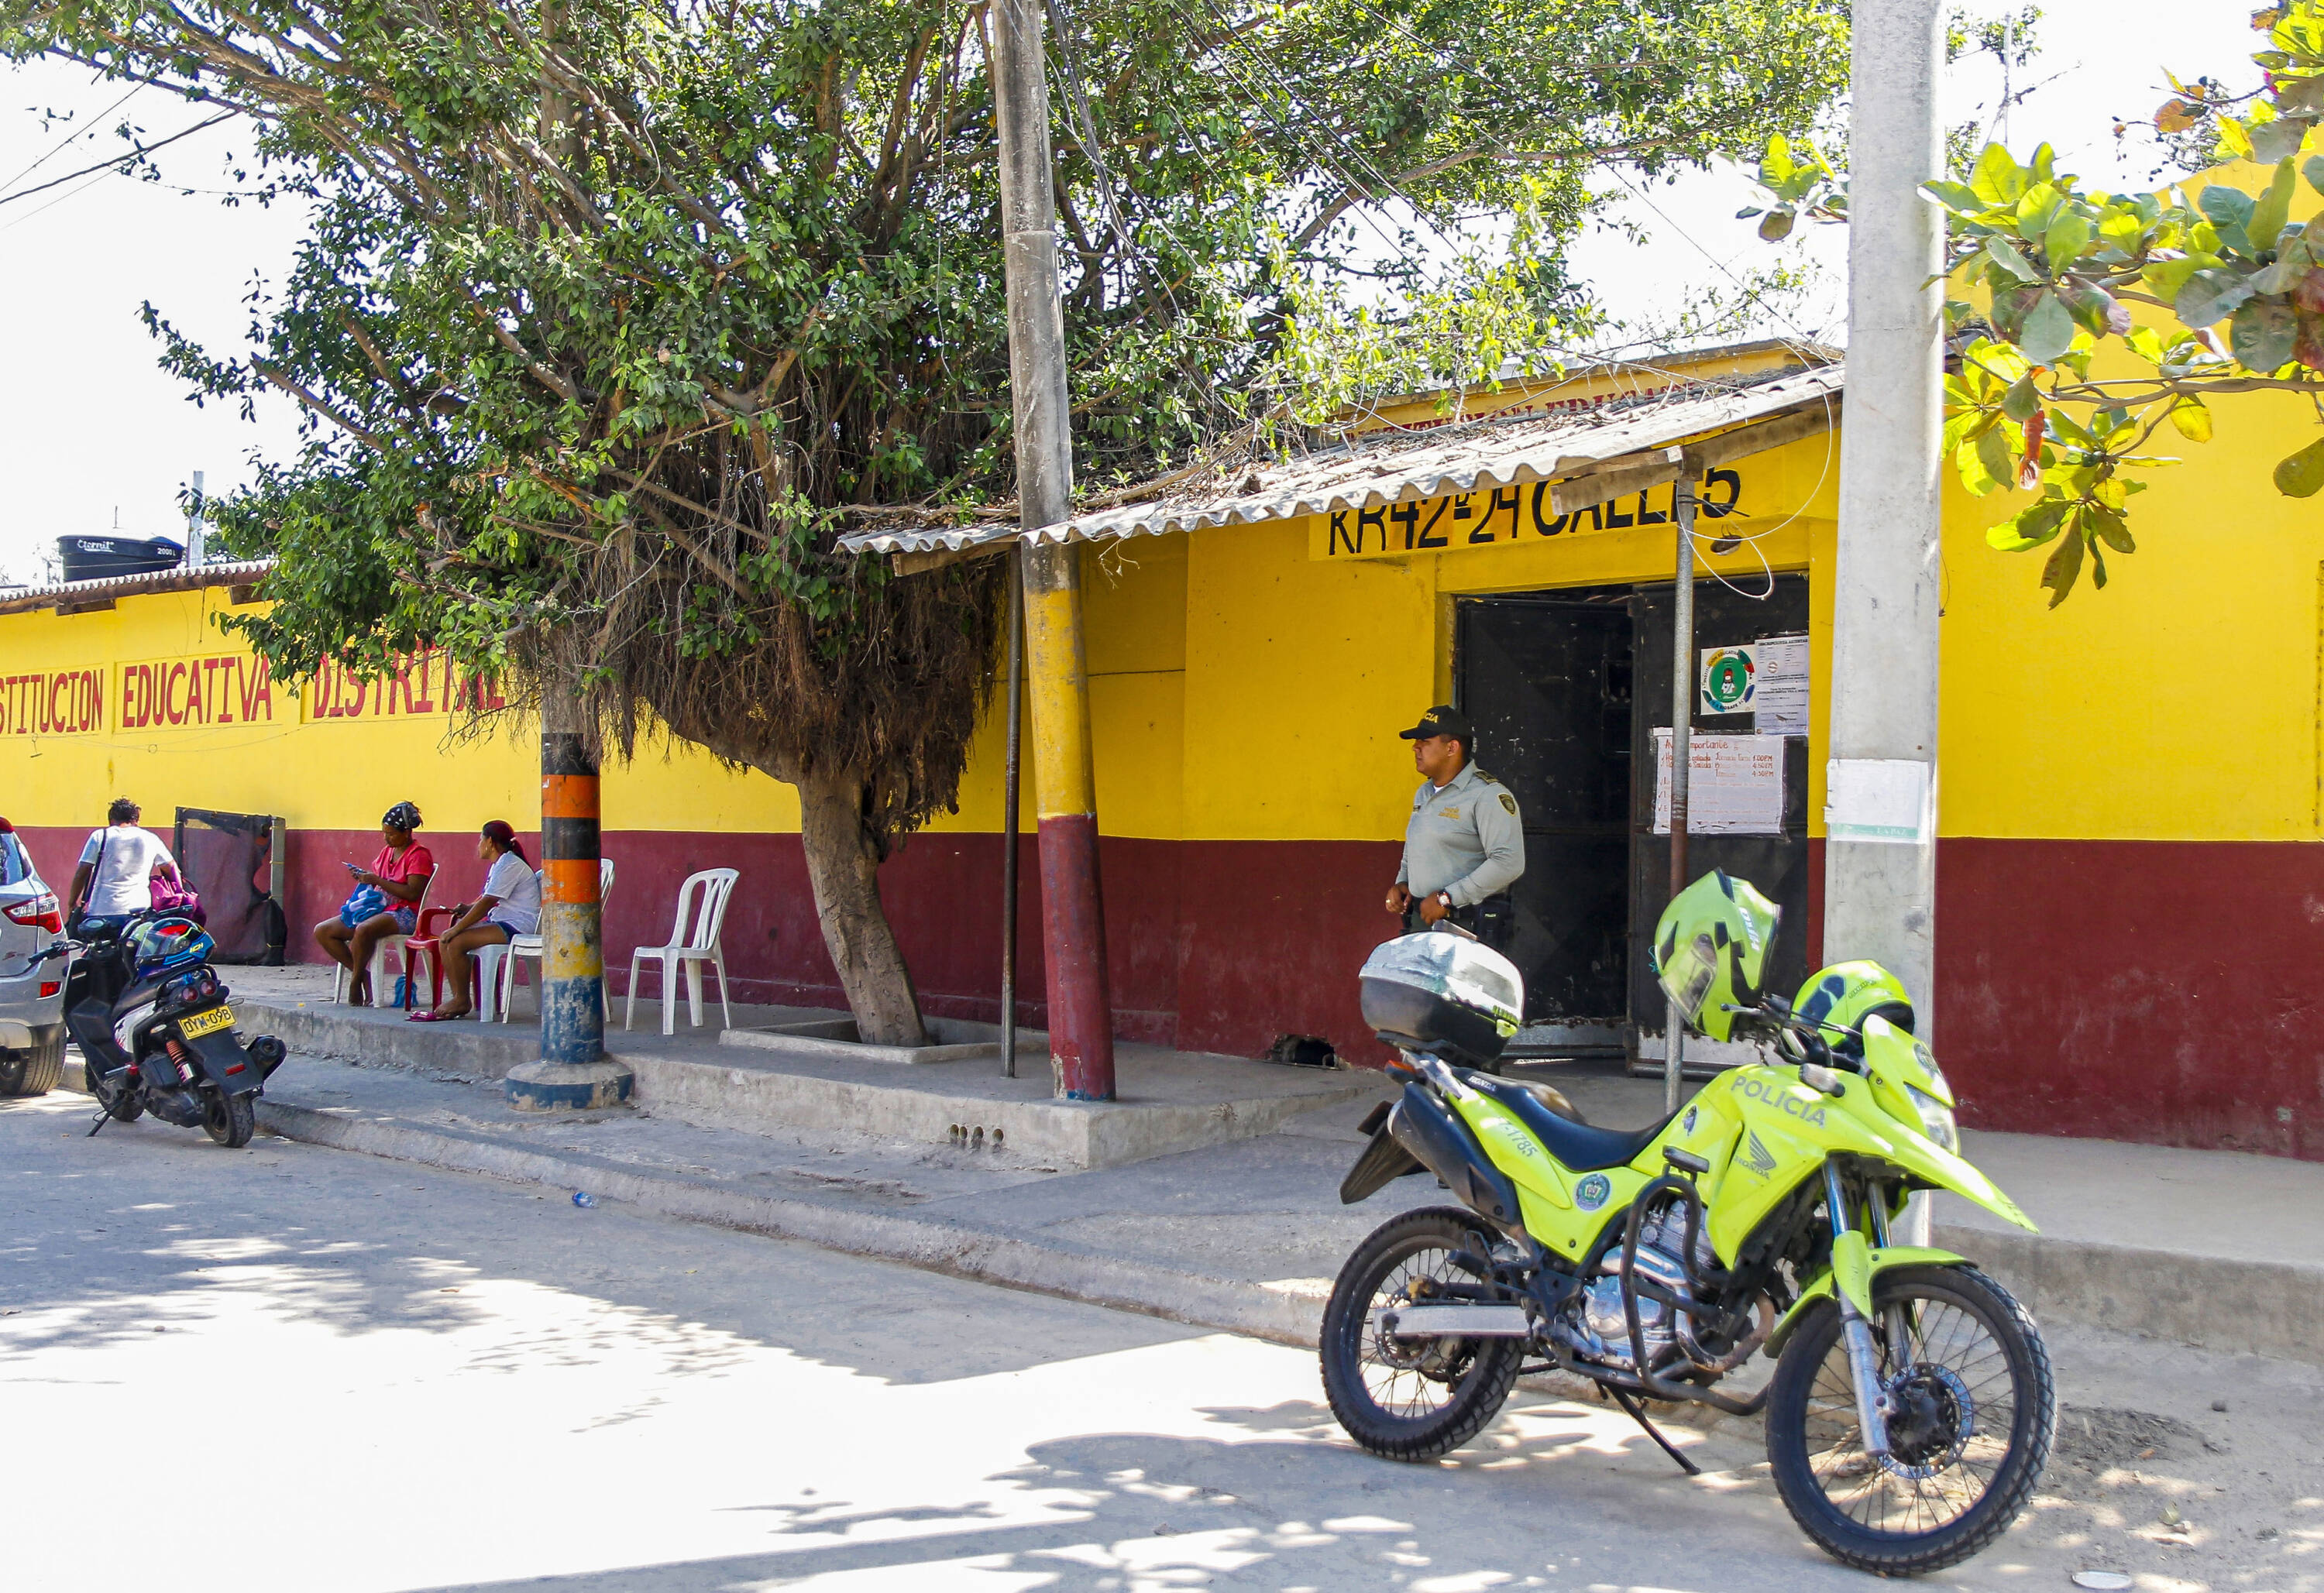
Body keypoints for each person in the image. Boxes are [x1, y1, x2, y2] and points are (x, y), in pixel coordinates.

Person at [1384, 706, 1525, 944]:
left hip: (1466, 927)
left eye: (1424, 741)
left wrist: (1446, 898)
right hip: (1421, 923)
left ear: (1452, 748)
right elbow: (1416, 845)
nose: (1415, 747)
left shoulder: (1487, 795)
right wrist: (1402, 882)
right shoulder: (1424, 792)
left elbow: (1509, 862)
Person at [409, 821, 540, 1022]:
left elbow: (487, 903)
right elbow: (487, 900)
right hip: (503, 921)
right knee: (447, 940)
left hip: (518, 926)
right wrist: (467, 910)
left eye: (480, 840)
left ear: (490, 842)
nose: (478, 845)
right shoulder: (501, 863)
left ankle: (462, 1000)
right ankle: (458, 997)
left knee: (455, 940)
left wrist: (457, 929)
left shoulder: (510, 864)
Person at [315, 802, 435, 1006]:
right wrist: (364, 877)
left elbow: (413, 893)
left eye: (391, 834)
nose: (386, 838)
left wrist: (377, 881)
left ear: (406, 832)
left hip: (405, 914)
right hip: (380, 908)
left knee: (364, 929)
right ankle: (361, 974)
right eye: (384, 833)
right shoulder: (387, 852)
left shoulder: (419, 855)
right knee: (323, 931)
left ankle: (355, 982)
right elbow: (378, 879)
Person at [68, 798, 185, 933]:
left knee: (94, 951)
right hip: (138, 912)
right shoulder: (149, 838)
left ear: (111, 820)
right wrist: (179, 894)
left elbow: (82, 873)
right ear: (136, 821)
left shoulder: (100, 836)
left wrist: (72, 903)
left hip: (101, 911)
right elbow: (171, 867)